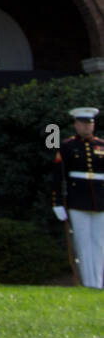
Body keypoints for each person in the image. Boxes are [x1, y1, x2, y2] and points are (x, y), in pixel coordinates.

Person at [52, 106, 104, 288]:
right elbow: (58, 176)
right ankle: (88, 283)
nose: (87, 127)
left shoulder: (101, 146)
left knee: (100, 243)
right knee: (83, 243)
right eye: (83, 123)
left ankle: (98, 283)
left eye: (90, 123)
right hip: (78, 200)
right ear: (76, 125)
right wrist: (57, 202)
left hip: (100, 200)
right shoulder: (67, 146)